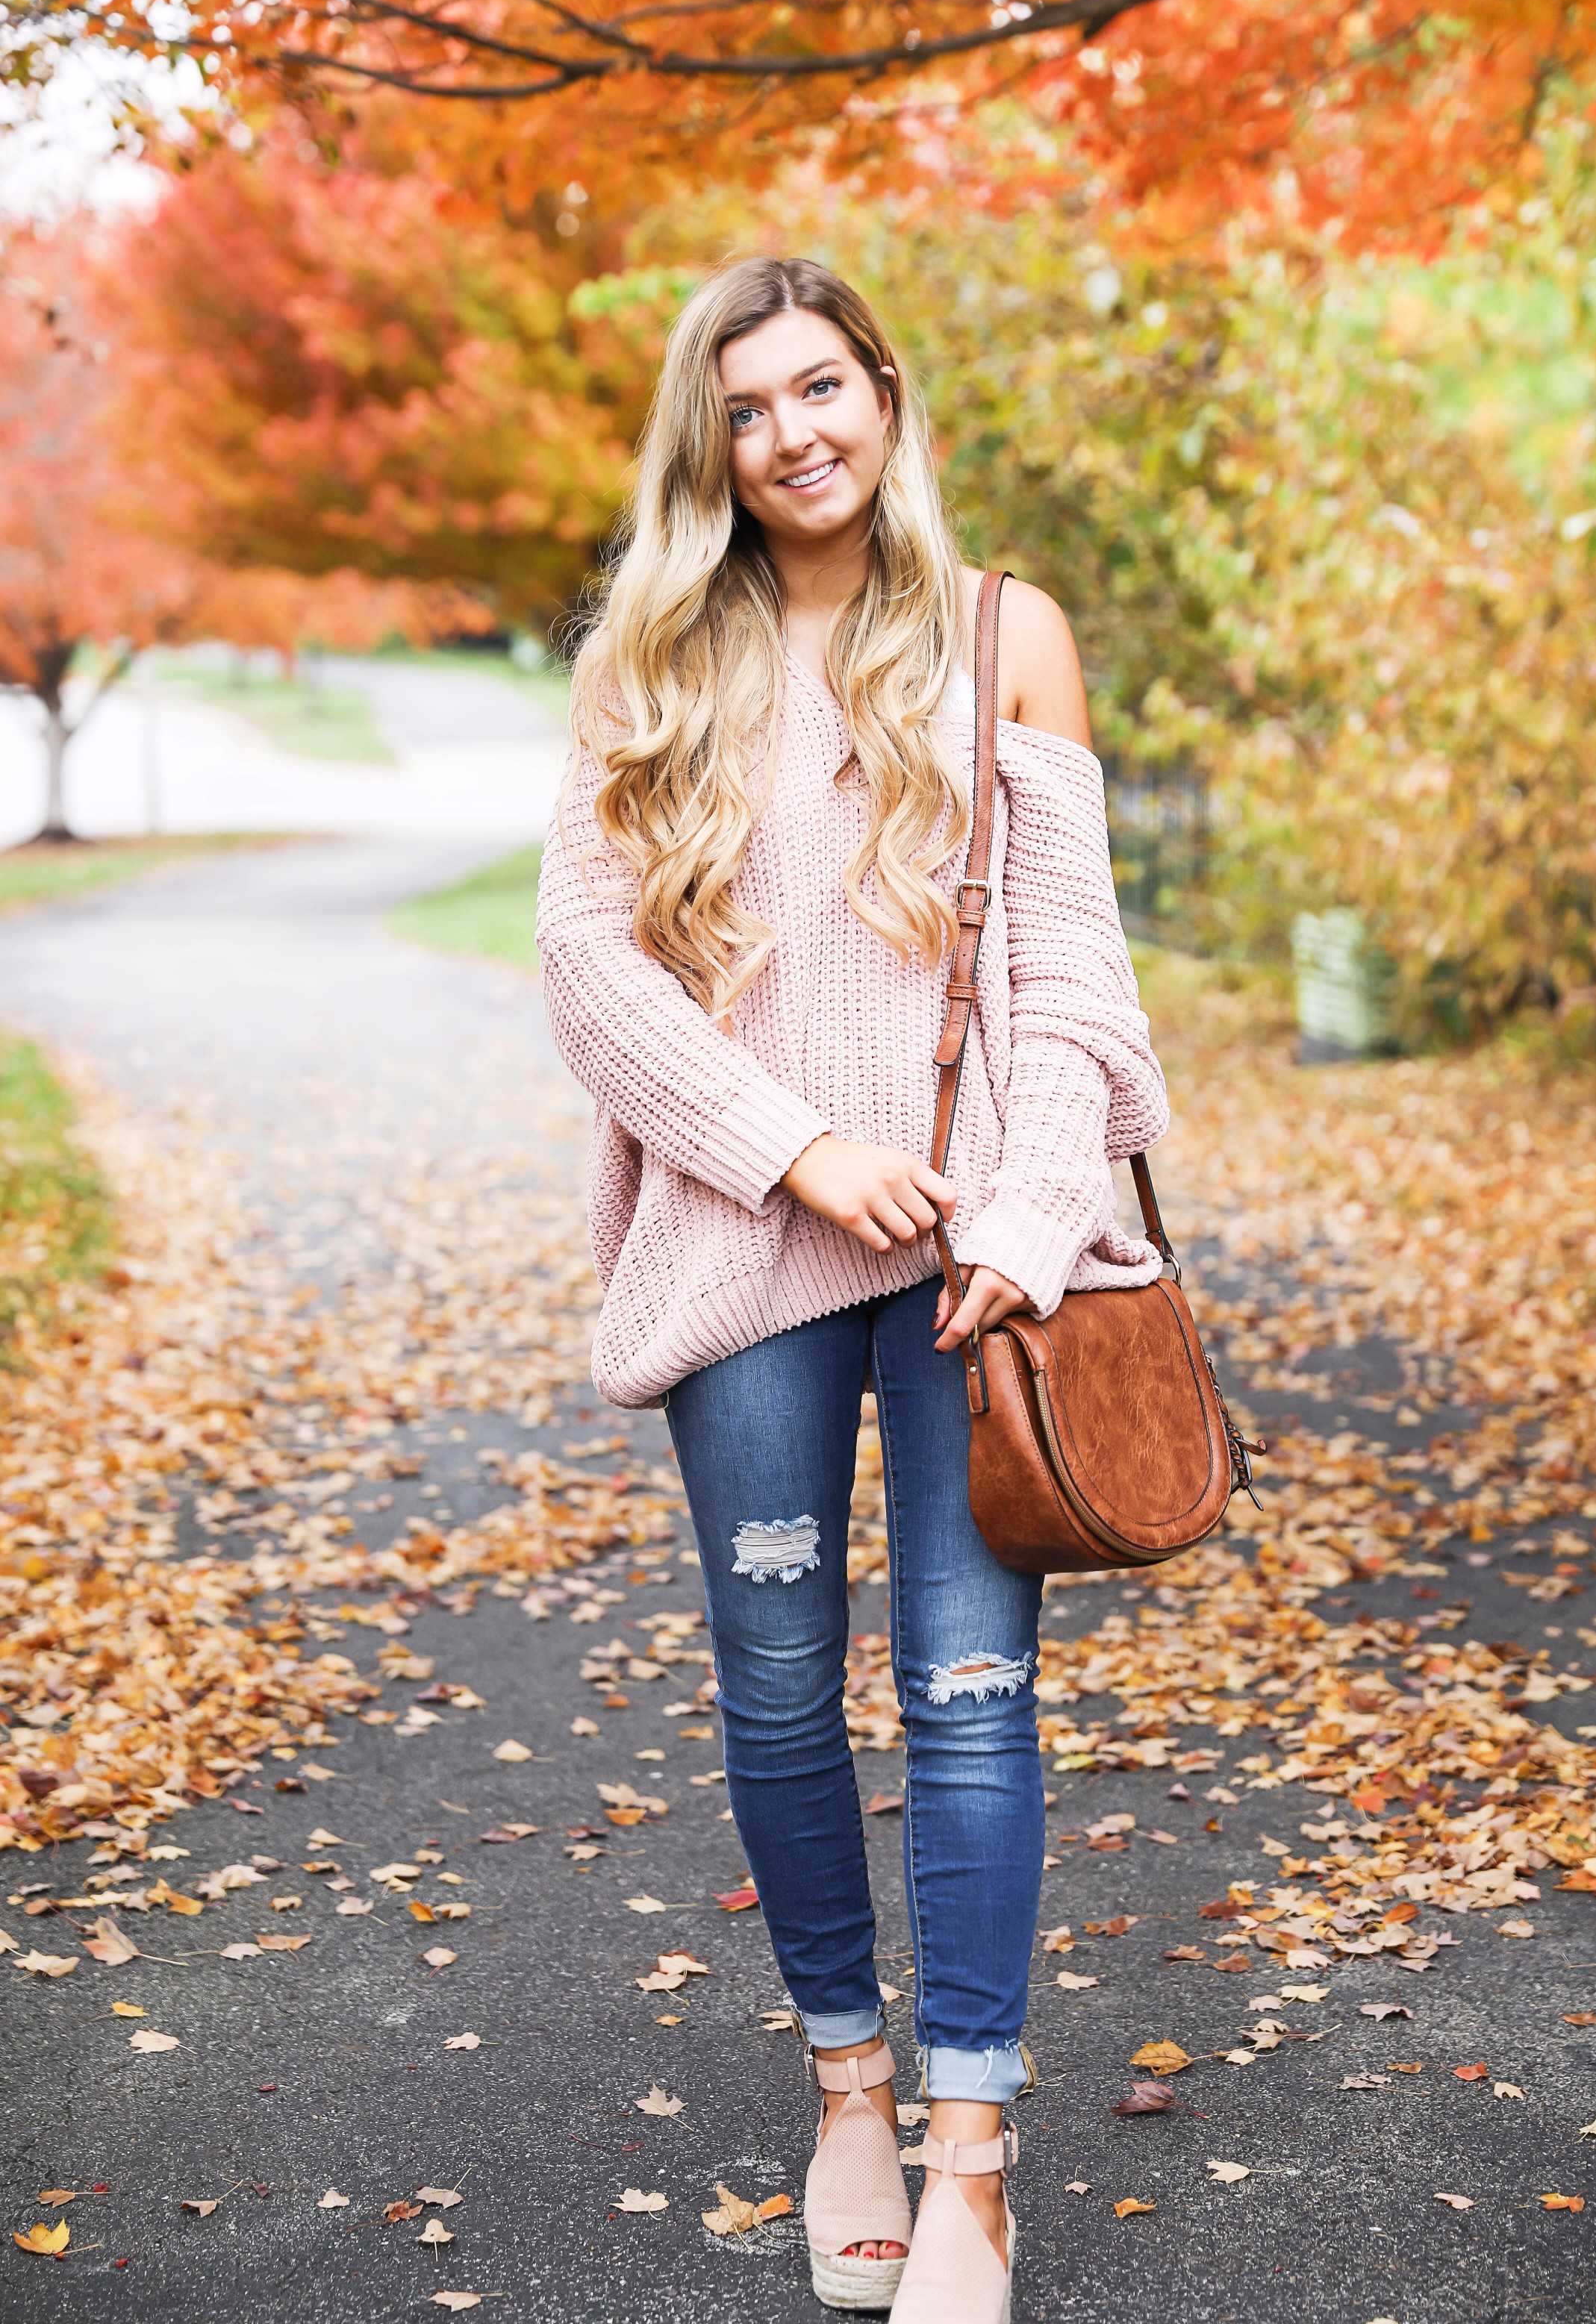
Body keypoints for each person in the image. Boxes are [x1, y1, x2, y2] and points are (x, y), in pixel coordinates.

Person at [537, 257, 1168, 2320]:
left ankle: (972, 2162)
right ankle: (847, 2099)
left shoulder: (1007, 638)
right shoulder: (647, 660)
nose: (796, 431)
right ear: (704, 443)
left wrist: (1028, 1204)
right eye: (749, 406)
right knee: (781, 1687)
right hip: (749, 1254)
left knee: (976, 1704)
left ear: (885, 396)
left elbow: (1069, 972)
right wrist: (795, 1145)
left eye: (825, 387)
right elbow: (590, 968)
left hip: (978, 1258)